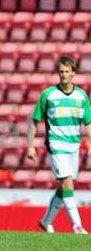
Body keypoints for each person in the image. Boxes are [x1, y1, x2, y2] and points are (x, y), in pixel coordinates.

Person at [27, 56, 91, 234]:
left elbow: (88, 122)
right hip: (56, 145)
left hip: (74, 146)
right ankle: (77, 226)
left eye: (67, 71)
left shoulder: (81, 96)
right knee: (67, 183)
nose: (63, 75)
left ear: (73, 73)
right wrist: (31, 146)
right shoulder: (48, 95)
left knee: (65, 187)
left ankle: (46, 221)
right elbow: (34, 121)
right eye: (61, 72)